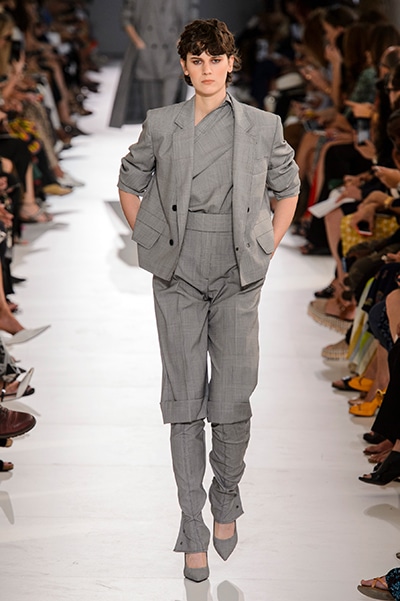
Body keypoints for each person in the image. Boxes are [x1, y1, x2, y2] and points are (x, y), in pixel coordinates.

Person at [118, 18, 299, 582]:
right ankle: (191, 525)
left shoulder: (264, 126)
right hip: (178, 270)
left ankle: (226, 493)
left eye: (214, 59)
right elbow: (130, 180)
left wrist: (267, 245)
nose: (206, 69)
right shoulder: (161, 123)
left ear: (230, 63)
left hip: (239, 269)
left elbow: (287, 187)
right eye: (195, 60)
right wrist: (152, 241)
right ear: (183, 66)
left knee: (233, 396)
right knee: (184, 401)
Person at [109, 0, 194, 128]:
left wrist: (181, 40)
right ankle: (156, 136)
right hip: (148, 53)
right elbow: (126, 19)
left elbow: (192, 19)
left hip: (173, 53)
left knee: (169, 104)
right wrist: (138, 43)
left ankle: (167, 135)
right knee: (152, 109)